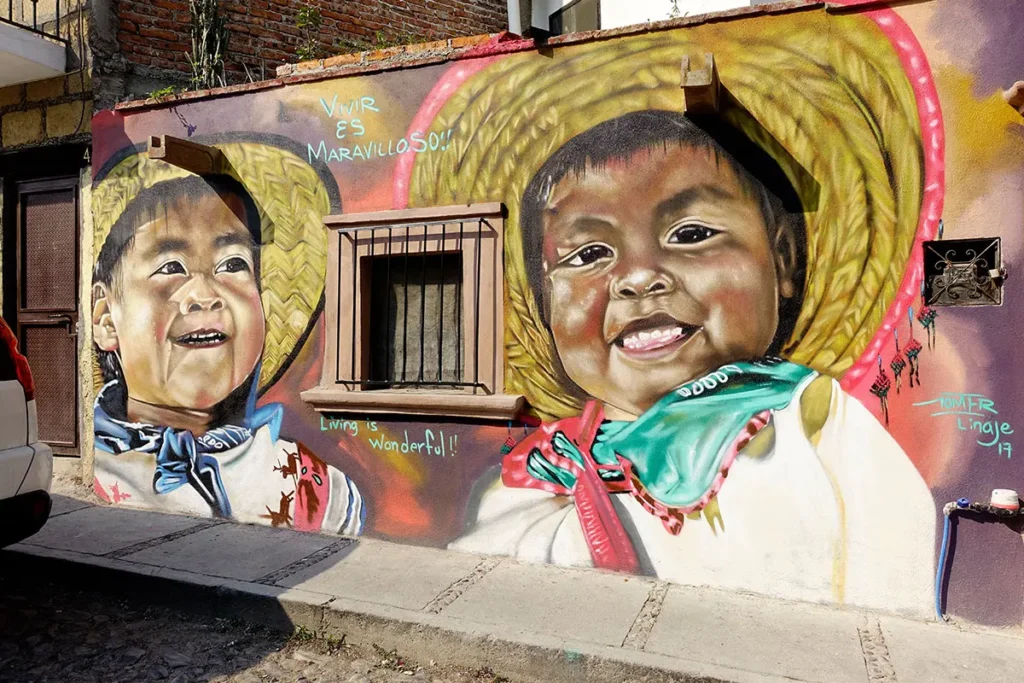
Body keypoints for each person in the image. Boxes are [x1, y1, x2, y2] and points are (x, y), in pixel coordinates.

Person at [450, 111, 936, 614]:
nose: (638, 278)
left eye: (691, 234)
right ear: (546, 305)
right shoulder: (548, 463)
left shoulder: (814, 419)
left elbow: (892, 563)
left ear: (784, 260)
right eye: (589, 253)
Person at [91, 173, 364, 535]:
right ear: (107, 319)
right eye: (171, 267)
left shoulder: (317, 489)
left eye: (233, 264)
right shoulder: (105, 470)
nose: (205, 294)